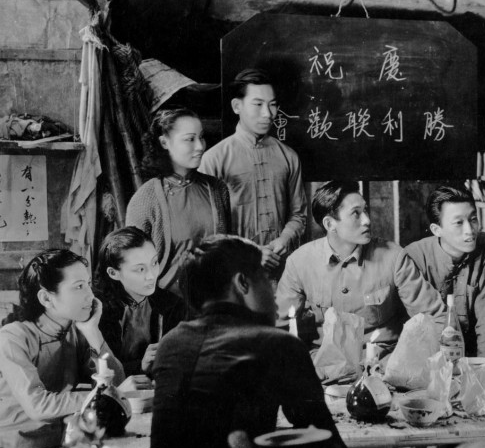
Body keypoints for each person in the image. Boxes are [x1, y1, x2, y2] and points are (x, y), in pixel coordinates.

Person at [150, 235, 351, 448]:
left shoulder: (171, 344)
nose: (273, 292)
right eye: (266, 279)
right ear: (242, 283)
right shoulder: (278, 345)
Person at [0, 249, 125, 448]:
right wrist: (99, 397)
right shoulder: (11, 339)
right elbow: (38, 406)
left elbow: (117, 384)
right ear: (46, 298)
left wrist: (93, 332)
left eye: (88, 284)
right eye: (79, 287)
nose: (91, 295)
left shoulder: (74, 331)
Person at [276, 181, 446, 368]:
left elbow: (435, 317)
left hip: (384, 367)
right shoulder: (300, 262)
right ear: (330, 223)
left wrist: (411, 362)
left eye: (365, 210)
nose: (367, 220)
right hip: (324, 370)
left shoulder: (393, 257)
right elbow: (279, 329)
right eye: (356, 213)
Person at [199, 68, 307, 277]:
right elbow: (207, 230)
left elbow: (298, 214)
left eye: (273, 104)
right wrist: (251, 252)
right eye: (258, 105)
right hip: (234, 275)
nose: (268, 114)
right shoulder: (214, 159)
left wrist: (285, 239)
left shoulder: (288, 156)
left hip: (283, 272)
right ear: (236, 106)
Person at [126, 107, 231, 296]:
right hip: (167, 309)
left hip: (214, 303)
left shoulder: (217, 189)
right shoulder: (145, 200)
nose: (200, 146)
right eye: (190, 139)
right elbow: (133, 269)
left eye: (201, 137)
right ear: (164, 142)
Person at [404, 186, 485, 361]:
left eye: (473, 219)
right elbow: (421, 331)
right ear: (436, 230)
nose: (470, 230)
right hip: (430, 358)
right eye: (458, 223)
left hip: (473, 355)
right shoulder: (414, 257)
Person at [94, 227, 187, 378]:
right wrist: (140, 366)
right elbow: (95, 369)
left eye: (154, 263)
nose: (151, 275)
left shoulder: (172, 305)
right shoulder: (97, 311)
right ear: (113, 273)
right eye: (140, 269)